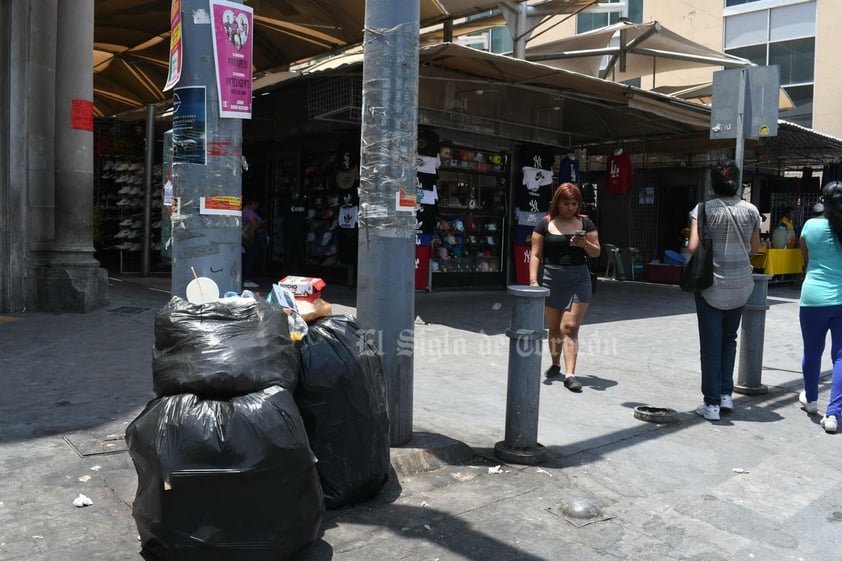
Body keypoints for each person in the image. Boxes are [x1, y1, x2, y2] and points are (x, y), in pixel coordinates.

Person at [687, 161, 761, 421]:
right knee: (730, 340)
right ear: (737, 182)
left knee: (710, 346)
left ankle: (712, 404)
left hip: (712, 286)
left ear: (713, 184)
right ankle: (726, 395)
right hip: (741, 285)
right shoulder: (751, 210)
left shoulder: (703, 209)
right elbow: (755, 247)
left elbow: (694, 247)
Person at [529, 182, 601, 392]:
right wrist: (534, 281)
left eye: (574, 203)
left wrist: (584, 244)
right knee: (553, 327)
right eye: (566, 203)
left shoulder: (586, 224)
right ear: (557, 203)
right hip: (551, 278)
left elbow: (596, 252)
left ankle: (570, 375)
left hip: (578, 278)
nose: (570, 207)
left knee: (569, 327)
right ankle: (555, 363)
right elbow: (535, 254)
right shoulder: (544, 224)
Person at [798, 181, 842, 434]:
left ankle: (812, 400)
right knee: (840, 356)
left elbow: (806, 256)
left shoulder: (811, 226)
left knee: (812, 350)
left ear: (822, 201)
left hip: (813, 297)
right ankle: (834, 414)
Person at [242, 198, 267, 289]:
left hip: (245, 237)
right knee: (250, 258)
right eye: (256, 204)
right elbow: (255, 225)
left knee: (247, 258)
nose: (257, 207)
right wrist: (262, 222)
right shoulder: (249, 212)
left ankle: (246, 278)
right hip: (251, 237)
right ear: (252, 202)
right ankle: (247, 279)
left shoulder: (242, 211)